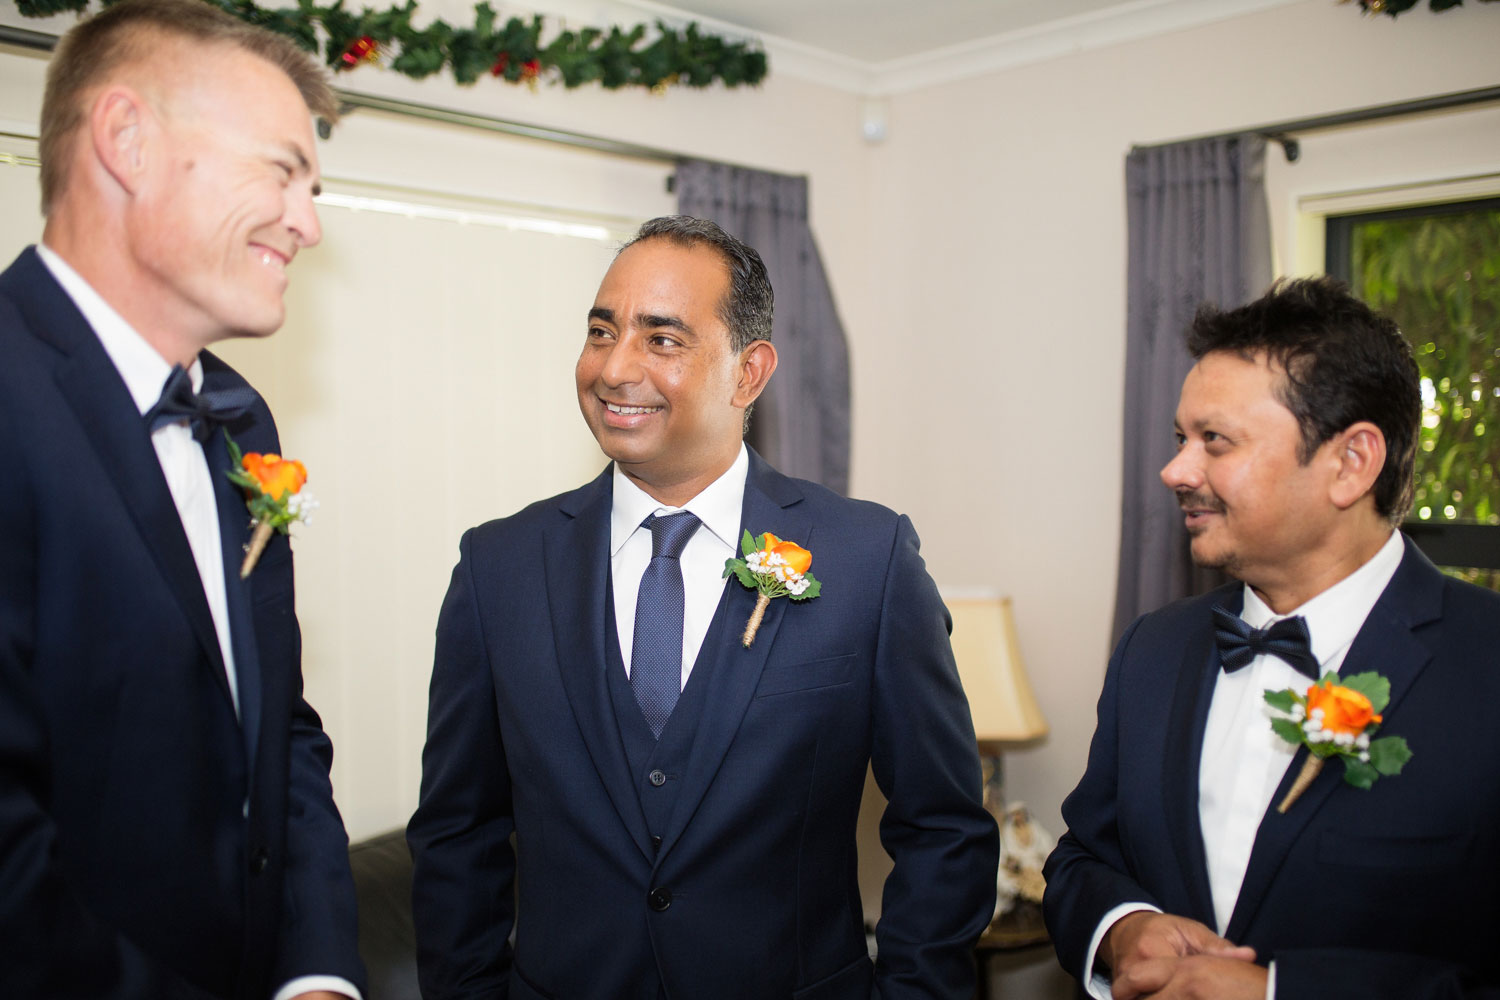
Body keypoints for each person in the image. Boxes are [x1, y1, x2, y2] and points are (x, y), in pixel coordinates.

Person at [408, 215, 998, 999]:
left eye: (661, 339)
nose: (615, 367)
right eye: (600, 330)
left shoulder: (869, 561)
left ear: (748, 373)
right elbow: (458, 833)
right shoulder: (498, 567)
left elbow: (944, 826)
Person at [0, 1, 363, 997]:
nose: (310, 223)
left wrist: (319, 971)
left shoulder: (242, 426)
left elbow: (275, 728)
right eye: (282, 170)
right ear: (127, 141)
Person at [1044, 276, 1500, 999]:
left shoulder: (1486, 665)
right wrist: (1122, 927)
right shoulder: (1152, 651)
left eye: (1214, 442)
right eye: (1179, 439)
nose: (1174, 470)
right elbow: (1080, 859)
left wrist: (1278, 993)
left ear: (1352, 463)